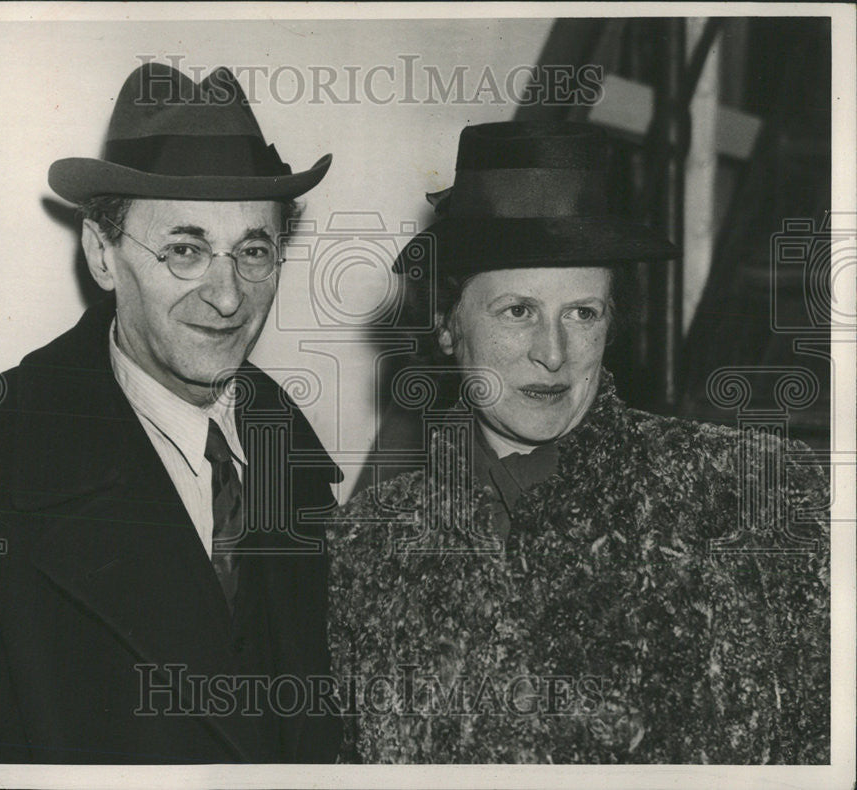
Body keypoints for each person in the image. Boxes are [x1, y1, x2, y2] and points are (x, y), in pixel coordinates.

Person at [0, 62, 341, 765]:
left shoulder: (294, 453)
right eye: (185, 250)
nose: (227, 296)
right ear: (102, 252)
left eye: (254, 251)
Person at [328, 122, 830, 763]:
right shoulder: (367, 544)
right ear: (447, 325)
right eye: (519, 311)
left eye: (582, 313)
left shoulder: (745, 492)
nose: (554, 353)